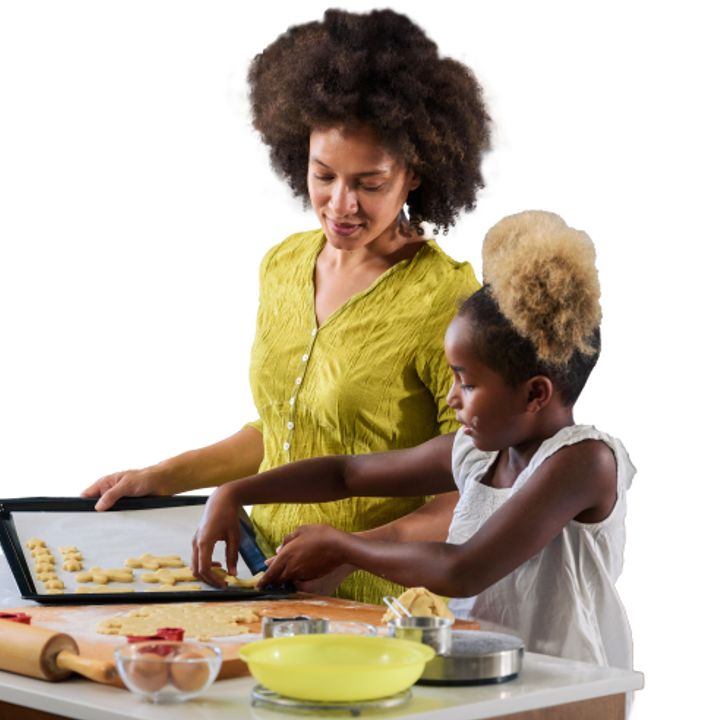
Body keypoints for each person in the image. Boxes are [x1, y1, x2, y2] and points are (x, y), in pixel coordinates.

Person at [77, 5, 511, 606]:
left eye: (369, 183)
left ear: (415, 172)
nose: (340, 204)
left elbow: (473, 487)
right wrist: (158, 476)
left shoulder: (450, 302)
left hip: (383, 606)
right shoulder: (281, 264)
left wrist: (351, 550)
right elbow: (285, 433)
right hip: (263, 580)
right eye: (323, 174)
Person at [192, 206, 637, 680]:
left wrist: (345, 548)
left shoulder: (584, 461)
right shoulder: (477, 452)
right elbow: (348, 473)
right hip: (481, 671)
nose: (451, 397)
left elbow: (462, 569)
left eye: (466, 384)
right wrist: (236, 491)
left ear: (534, 393)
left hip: (565, 689)